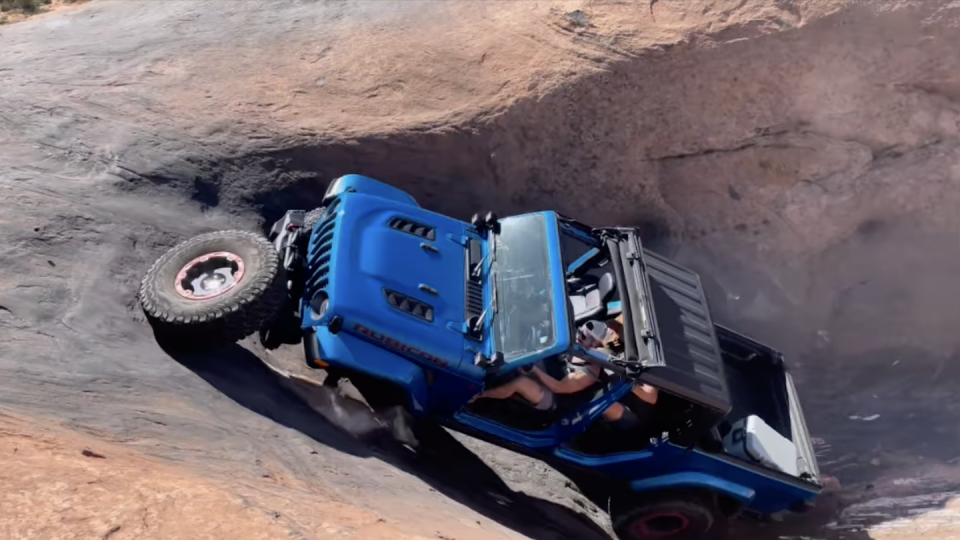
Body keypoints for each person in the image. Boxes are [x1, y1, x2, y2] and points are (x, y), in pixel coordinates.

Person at [469, 319, 659, 432]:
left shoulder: (590, 371)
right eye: (580, 333)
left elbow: (559, 388)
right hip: (555, 375)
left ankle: (480, 396)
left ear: (593, 346)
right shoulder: (599, 349)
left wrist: (533, 370)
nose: (579, 337)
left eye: (584, 338)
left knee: (520, 383)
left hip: (557, 399)